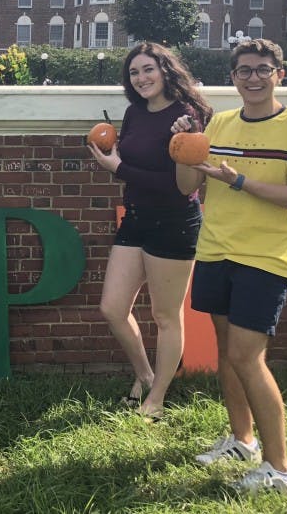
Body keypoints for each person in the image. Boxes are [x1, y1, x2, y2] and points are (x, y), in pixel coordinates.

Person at [173, 39, 287, 495]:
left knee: (246, 355)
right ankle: (243, 441)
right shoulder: (218, 124)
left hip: (267, 255)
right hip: (217, 249)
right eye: (244, 71)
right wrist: (182, 146)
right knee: (227, 350)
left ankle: (281, 470)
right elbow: (188, 184)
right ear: (233, 77)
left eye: (263, 69)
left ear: (280, 73)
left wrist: (238, 180)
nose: (254, 78)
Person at [88, 42, 212, 422]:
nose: (141, 78)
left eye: (147, 70)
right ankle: (144, 373)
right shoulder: (134, 112)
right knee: (112, 307)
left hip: (174, 222)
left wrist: (116, 169)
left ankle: (156, 399)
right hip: (137, 217)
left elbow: (179, 186)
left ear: (165, 71)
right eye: (134, 73)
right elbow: (128, 158)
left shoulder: (186, 118)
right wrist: (112, 153)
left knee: (165, 315)